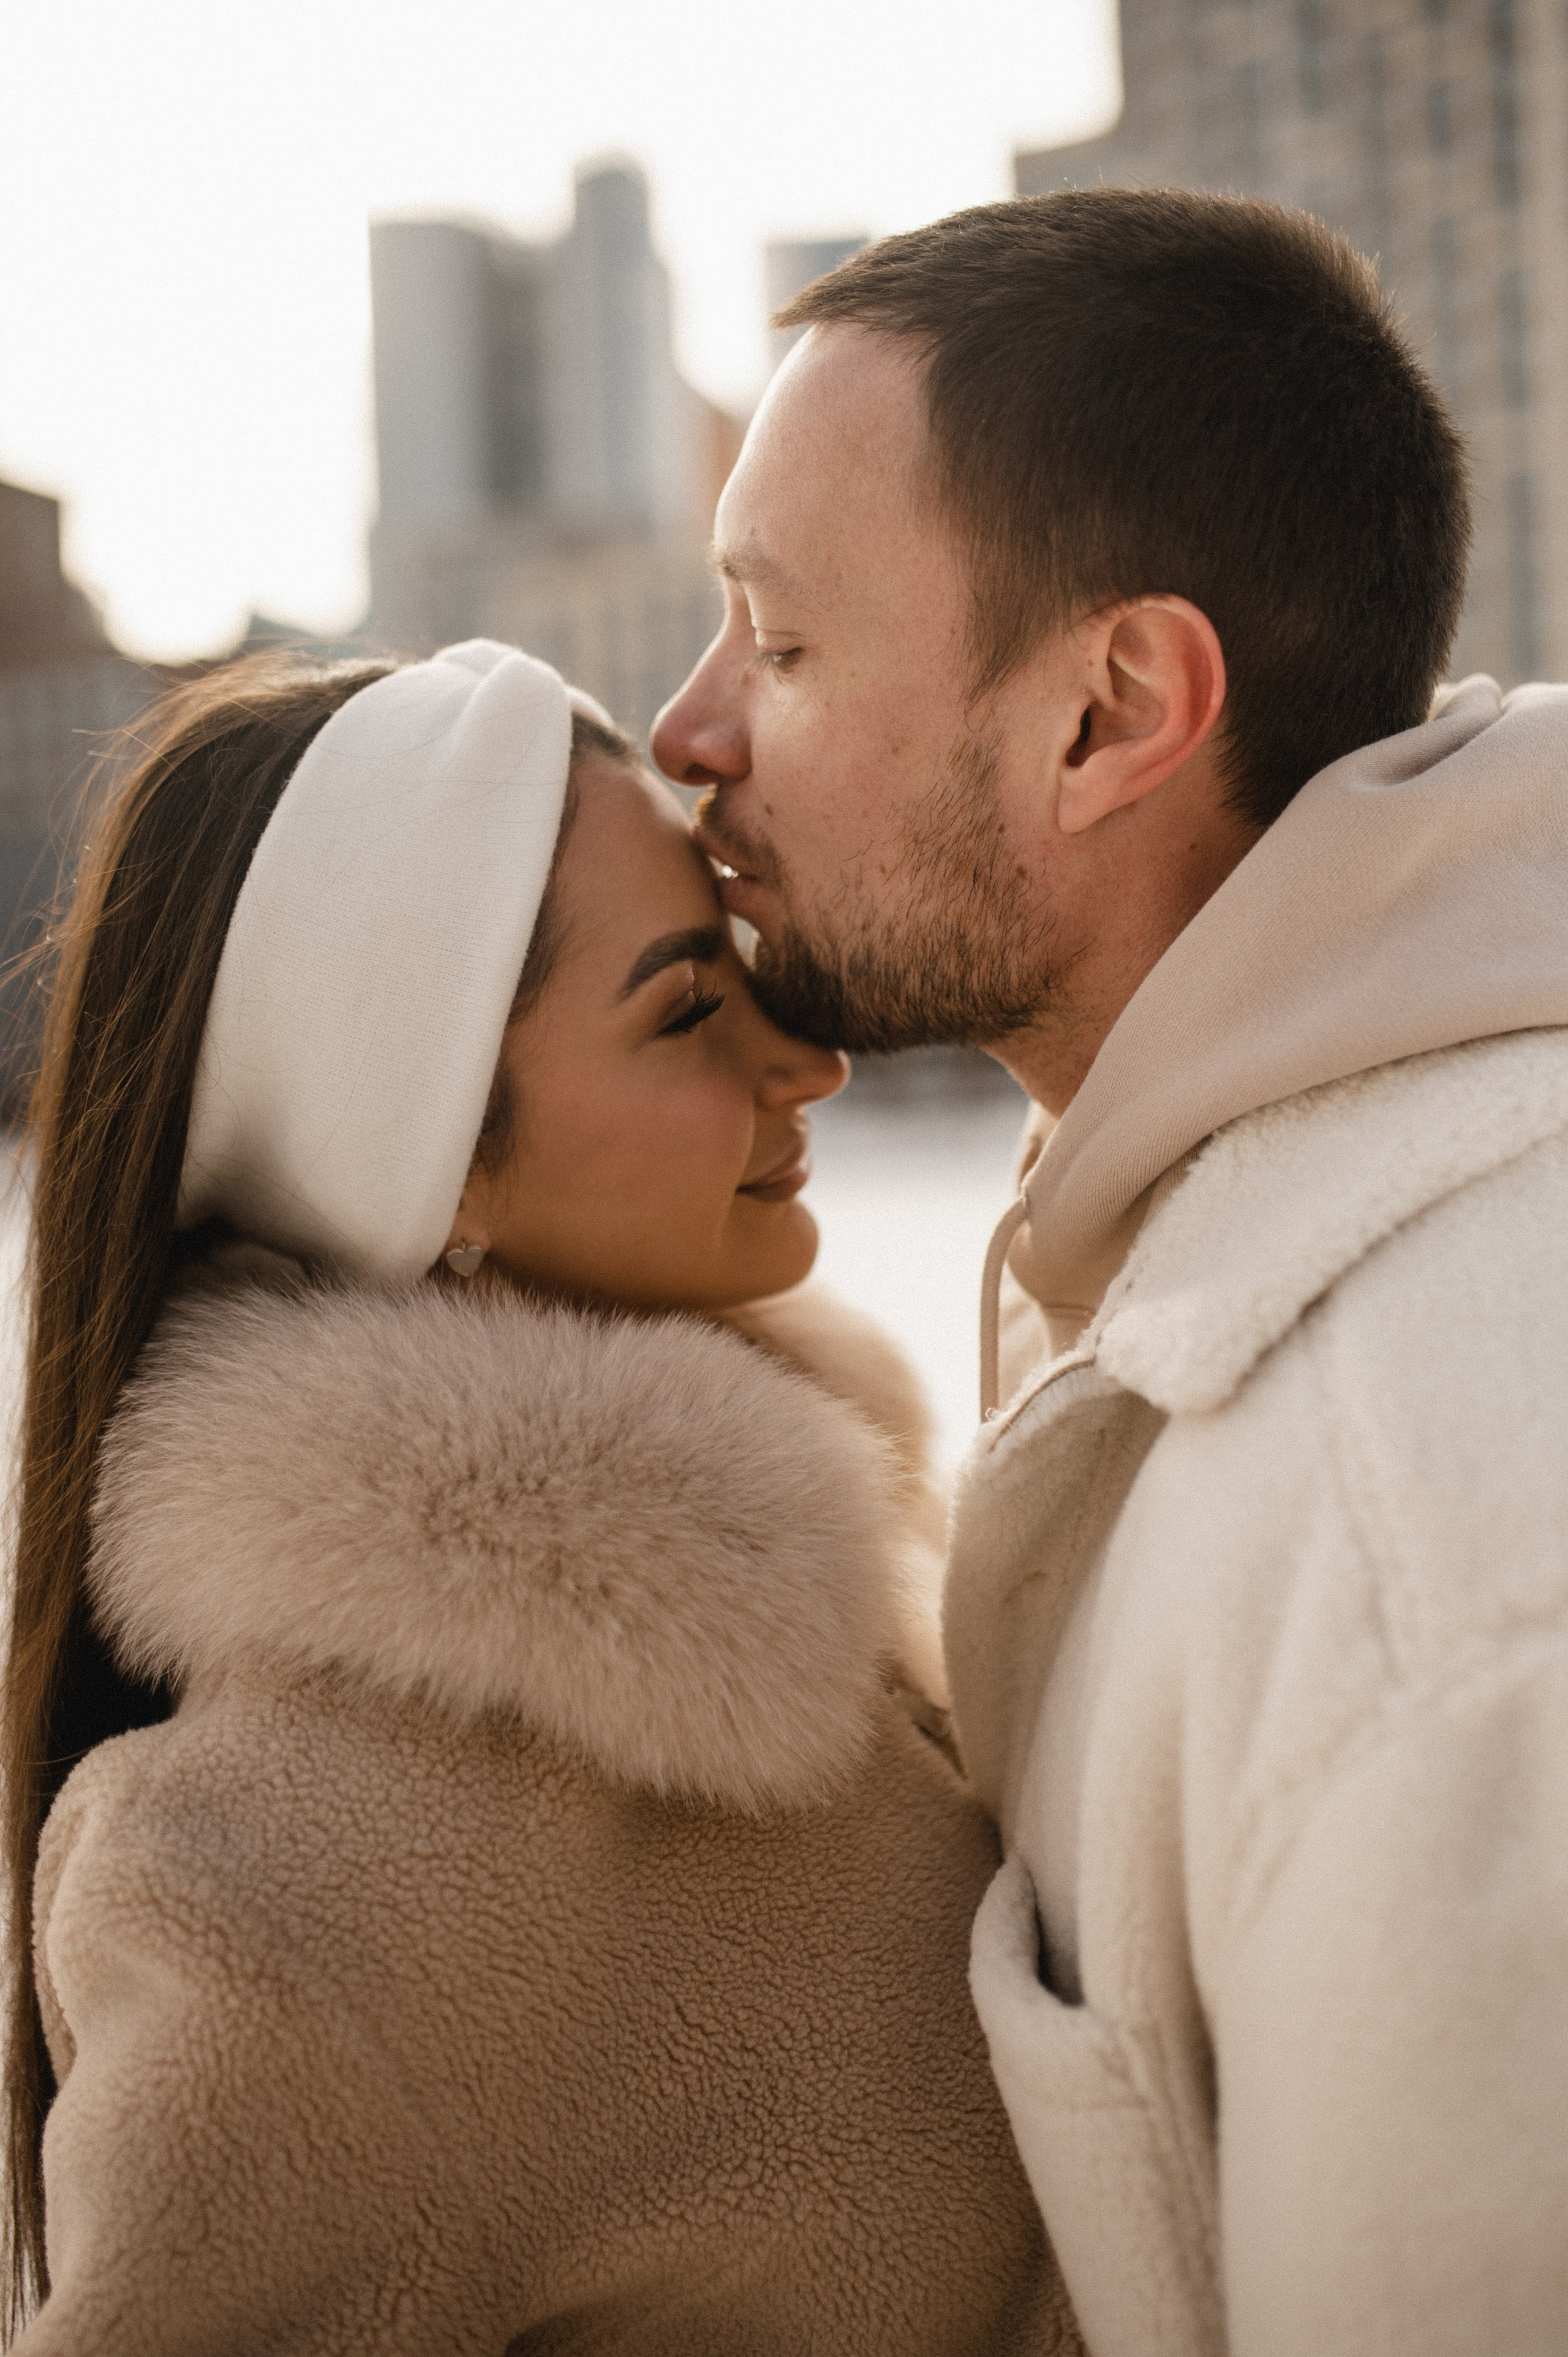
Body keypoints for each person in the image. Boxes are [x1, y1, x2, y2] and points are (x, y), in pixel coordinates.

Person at [651, 188, 1568, 2356]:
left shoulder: (1436, 1554)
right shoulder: (1219, 1237)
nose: (689, 733)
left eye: (780, 645)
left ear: (1112, 712)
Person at [1, 641, 1077, 2353]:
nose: (807, 1069)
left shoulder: (841, 1593)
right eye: (683, 1007)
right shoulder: (294, 1879)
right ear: (426, 1169)